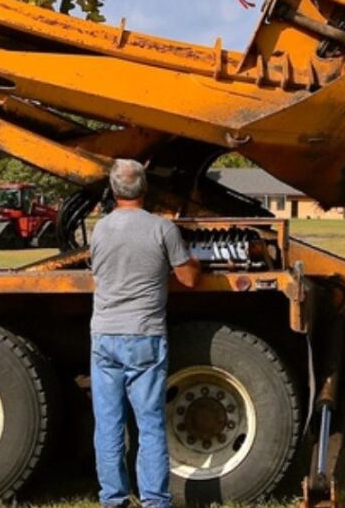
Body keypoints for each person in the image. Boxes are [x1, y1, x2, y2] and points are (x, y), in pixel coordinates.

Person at [90, 159, 201, 508]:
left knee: (108, 425)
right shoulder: (161, 229)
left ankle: (114, 499)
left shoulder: (101, 229)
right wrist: (194, 261)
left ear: (112, 190)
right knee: (149, 425)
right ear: (145, 188)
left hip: (105, 336)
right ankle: (154, 500)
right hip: (145, 336)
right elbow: (189, 278)